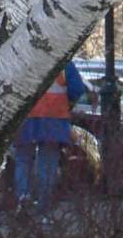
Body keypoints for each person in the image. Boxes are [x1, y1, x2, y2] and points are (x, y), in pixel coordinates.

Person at [15, 61, 88, 211]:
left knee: (23, 159)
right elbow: (77, 89)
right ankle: (43, 207)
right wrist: (68, 104)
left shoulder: (23, 57)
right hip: (53, 118)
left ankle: (23, 201)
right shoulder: (63, 62)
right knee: (47, 164)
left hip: (25, 118)